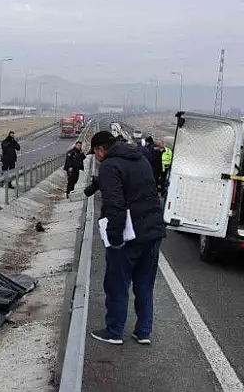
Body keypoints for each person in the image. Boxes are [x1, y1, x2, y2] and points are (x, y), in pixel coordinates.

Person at [84, 130, 166, 345]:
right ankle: (143, 331)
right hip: (153, 231)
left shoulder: (110, 166)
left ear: (101, 149)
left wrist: (114, 237)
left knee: (117, 285)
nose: (97, 157)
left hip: (129, 235)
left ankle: (114, 331)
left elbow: (114, 204)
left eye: (95, 153)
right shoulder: (140, 159)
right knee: (144, 284)